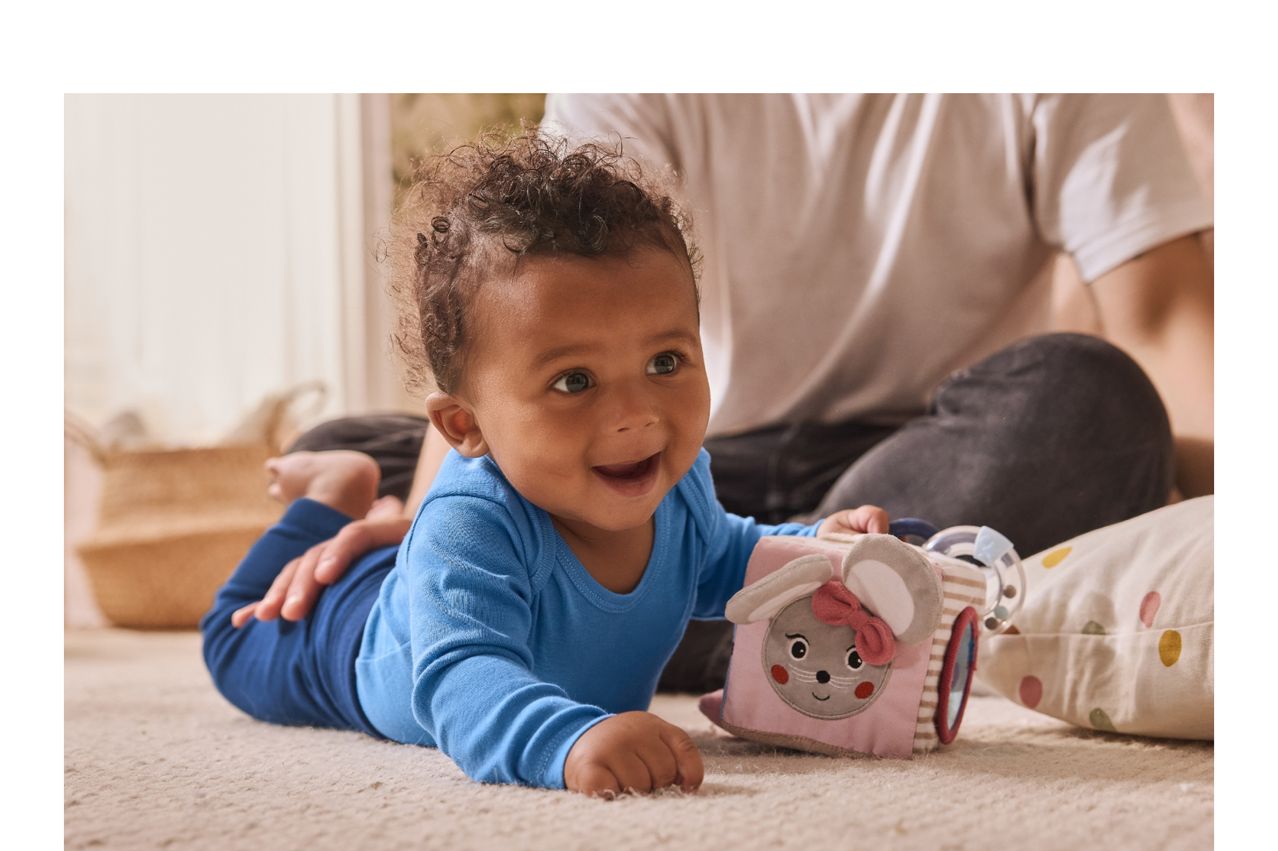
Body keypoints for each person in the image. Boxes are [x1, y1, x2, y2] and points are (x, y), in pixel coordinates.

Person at [280, 94, 1214, 693]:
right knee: (372, 437)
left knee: (1094, 400)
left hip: (919, 453)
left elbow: (1166, 322)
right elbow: (529, 308)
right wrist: (433, 516)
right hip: (672, 455)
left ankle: (688, 600)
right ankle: (772, 609)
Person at [201, 132, 895, 796]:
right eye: (574, 381)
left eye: (665, 362)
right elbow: (462, 676)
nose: (637, 415)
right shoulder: (472, 522)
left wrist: (829, 549)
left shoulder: (680, 486)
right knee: (230, 639)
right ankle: (327, 494)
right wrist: (562, 743)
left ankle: (353, 495)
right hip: (339, 643)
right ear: (465, 426)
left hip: (420, 576)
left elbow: (731, 558)